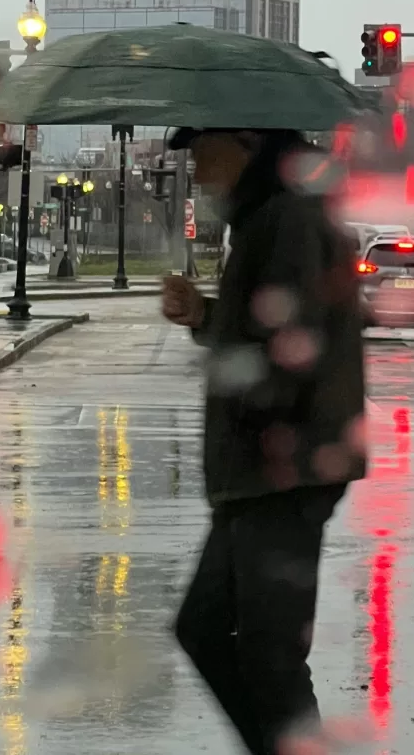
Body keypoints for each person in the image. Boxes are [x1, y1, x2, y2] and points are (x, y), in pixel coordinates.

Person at [161, 127, 366, 755]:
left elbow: (290, 344)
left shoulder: (291, 217)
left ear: (245, 141)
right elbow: (268, 319)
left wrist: (242, 385)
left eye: (202, 151)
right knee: (208, 629)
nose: (197, 169)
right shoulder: (268, 215)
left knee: (269, 654)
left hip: (284, 466)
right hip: (260, 471)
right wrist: (205, 316)